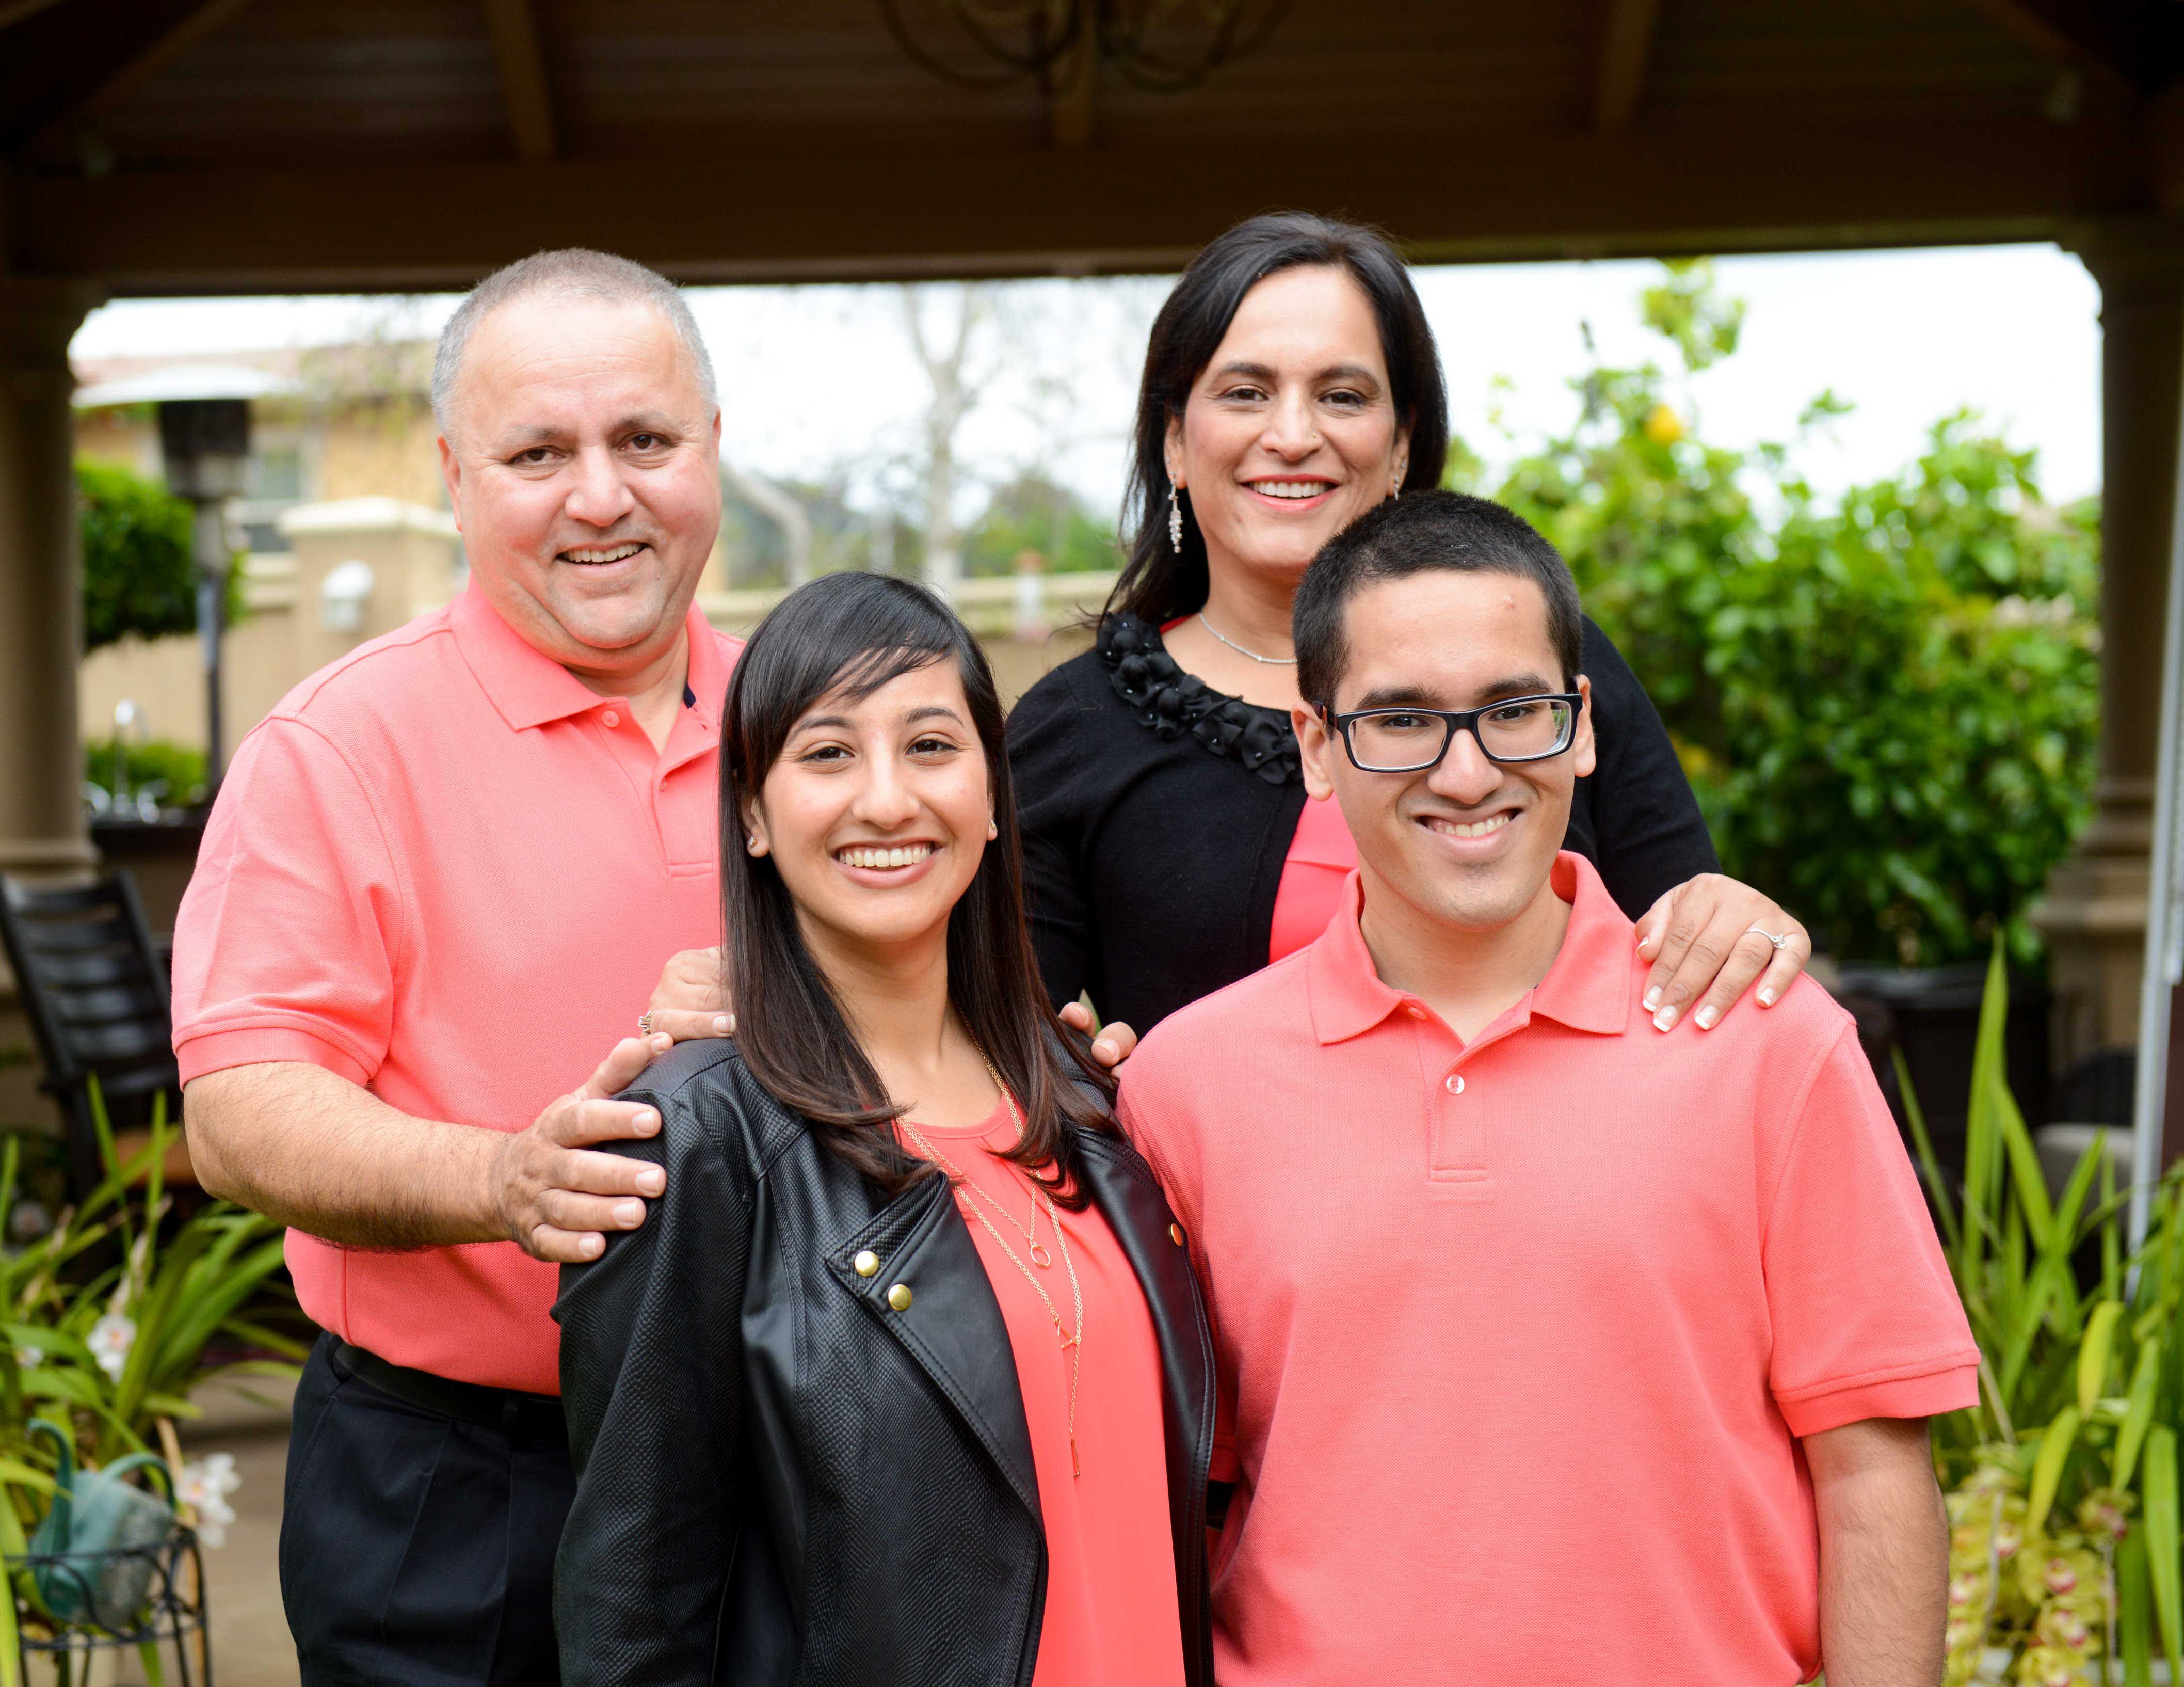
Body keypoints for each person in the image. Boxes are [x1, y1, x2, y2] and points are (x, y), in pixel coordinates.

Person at [1118, 489, 1976, 1685]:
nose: (1467, 772)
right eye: (1402, 720)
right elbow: (1140, 1491)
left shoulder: (1769, 1045)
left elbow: (1875, 1468)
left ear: (1579, 724)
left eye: (1512, 710)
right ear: (1317, 746)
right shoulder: (1185, 1087)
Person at [173, 249, 747, 1686]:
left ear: (714, 450)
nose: (600, 496)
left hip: (777, 1464)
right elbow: (240, 1109)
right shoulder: (337, 747)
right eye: (539, 452)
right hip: (461, 1487)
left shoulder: (818, 723)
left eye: (645, 441)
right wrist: (506, 1181)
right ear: (453, 473)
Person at [552, 571, 1214, 1687]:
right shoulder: (693, 1143)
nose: (888, 799)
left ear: (996, 794)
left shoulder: (1088, 1094)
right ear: (753, 815)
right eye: (826, 753)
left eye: (930, 745)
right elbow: (635, 1607)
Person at [1009, 212, 1814, 1038]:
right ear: (1175, 441)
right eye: (1246, 392)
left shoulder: (1544, 666)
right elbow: (1003, 1054)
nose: (1293, 435)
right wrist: (1077, 1085)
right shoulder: (1070, 730)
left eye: (1343, 396)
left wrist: (1726, 922)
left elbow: (1683, 953)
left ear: (1402, 445)